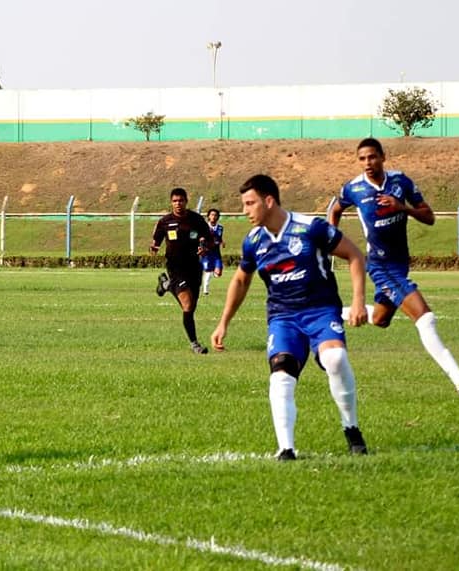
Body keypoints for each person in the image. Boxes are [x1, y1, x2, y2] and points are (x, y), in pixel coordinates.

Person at [211, 174, 370, 461]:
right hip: (283, 317)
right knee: (281, 374)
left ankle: (352, 428)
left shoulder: (311, 228)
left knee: (335, 359)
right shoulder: (254, 241)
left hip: (321, 310)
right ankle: (286, 448)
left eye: (250, 203)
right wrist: (224, 322)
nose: (245, 210)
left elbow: (355, 255)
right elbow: (240, 280)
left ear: (268, 201)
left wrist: (358, 300)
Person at [329, 138, 459, 398]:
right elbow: (335, 210)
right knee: (425, 317)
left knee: (380, 319)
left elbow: (430, 217)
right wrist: (332, 240)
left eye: (372, 157)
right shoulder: (353, 189)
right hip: (380, 266)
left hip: (400, 263)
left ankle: (331, 312)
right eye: (362, 159)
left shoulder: (400, 182)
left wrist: (402, 208)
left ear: (382, 157)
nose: (367, 163)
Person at [151, 187, 214, 354]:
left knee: (191, 307)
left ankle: (166, 285)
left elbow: (207, 238)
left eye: (181, 200)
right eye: (175, 201)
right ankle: (195, 344)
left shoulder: (196, 219)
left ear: (186, 201)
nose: (178, 203)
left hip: (194, 266)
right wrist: (154, 248)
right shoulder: (165, 221)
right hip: (175, 267)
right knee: (187, 306)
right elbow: (156, 239)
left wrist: (204, 246)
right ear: (171, 203)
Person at [200, 207, 225, 296]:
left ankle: (213, 272)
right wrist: (201, 246)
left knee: (218, 274)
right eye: (212, 215)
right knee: (208, 270)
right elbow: (201, 238)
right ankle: (205, 290)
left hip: (216, 253)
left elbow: (218, 237)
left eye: (215, 215)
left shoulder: (220, 228)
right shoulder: (204, 227)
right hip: (206, 253)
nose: (213, 217)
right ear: (208, 217)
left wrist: (222, 242)